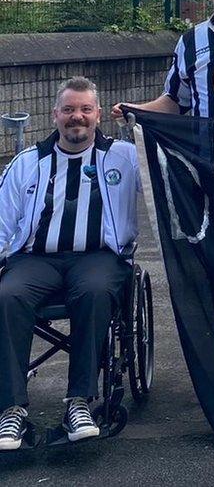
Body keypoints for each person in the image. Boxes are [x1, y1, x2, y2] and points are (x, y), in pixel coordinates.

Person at [0, 77, 140, 450]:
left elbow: (165, 172)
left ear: (98, 114)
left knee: (94, 292)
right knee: (8, 295)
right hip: (37, 259)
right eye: (69, 110)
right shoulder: (28, 162)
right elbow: (3, 220)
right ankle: (11, 408)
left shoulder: (124, 157)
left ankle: (79, 401)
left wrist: (142, 121)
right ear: (55, 114)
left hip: (98, 258)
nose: (76, 117)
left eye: (85, 109)